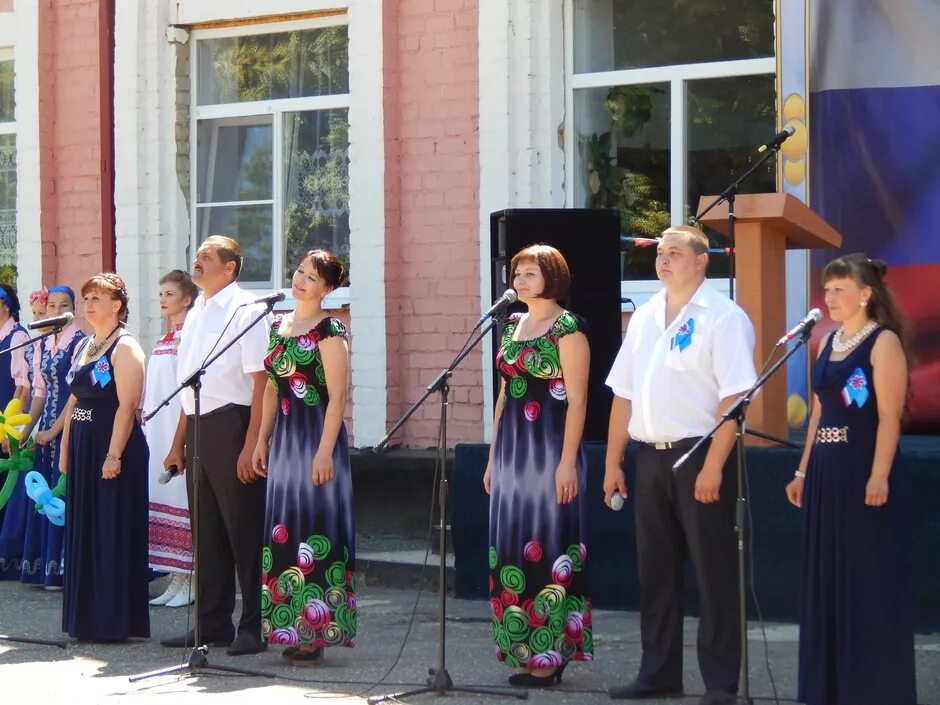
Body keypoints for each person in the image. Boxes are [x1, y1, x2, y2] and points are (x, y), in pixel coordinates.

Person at [604, 225, 756, 705]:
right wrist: (613, 462)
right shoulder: (646, 315)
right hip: (649, 457)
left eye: (675, 253)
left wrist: (714, 466)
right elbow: (623, 395)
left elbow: (735, 398)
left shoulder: (724, 318)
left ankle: (720, 682)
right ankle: (659, 673)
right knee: (656, 572)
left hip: (700, 456)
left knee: (714, 573)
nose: (664, 261)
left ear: (701, 260)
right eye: (660, 254)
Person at [785, 254, 915, 705]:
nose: (830, 297)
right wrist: (802, 469)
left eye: (840, 289)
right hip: (826, 470)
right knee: (828, 579)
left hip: (863, 469)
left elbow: (888, 417)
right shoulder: (826, 341)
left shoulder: (883, 343)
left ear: (866, 294)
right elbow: (820, 411)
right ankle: (829, 688)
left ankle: (872, 689)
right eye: (827, 289)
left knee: (865, 578)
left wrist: (879, 475)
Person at [484, 244, 592, 687]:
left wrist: (568, 462)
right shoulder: (512, 324)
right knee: (511, 549)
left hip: (549, 453)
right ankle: (523, 649)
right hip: (512, 455)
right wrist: (492, 456)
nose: (521, 279)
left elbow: (580, 400)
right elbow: (506, 393)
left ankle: (552, 653)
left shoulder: (568, 328)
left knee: (548, 550)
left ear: (553, 276)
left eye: (531, 272)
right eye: (517, 272)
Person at [162, 235, 270, 656]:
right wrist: (178, 445)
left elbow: (262, 380)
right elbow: (191, 385)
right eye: (196, 255)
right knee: (206, 530)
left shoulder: (247, 310)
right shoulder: (197, 311)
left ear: (230, 267)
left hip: (233, 423)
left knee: (243, 529)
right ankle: (211, 623)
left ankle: (253, 627)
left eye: (207, 256)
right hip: (199, 426)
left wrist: (251, 444)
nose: (197, 261)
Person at [252, 249, 355, 665]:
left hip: (317, 440)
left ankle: (316, 631)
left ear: (327, 288)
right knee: (284, 533)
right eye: (299, 272)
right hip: (286, 445)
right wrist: (262, 439)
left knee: (315, 534)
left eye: (311, 278)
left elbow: (337, 397)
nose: (300, 281)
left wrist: (325, 451)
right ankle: (289, 624)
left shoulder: (331, 330)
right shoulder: (279, 326)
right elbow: (274, 389)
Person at [60, 273, 150, 641]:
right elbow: (76, 399)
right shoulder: (87, 345)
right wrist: (66, 447)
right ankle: (86, 619)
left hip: (113, 445)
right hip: (83, 445)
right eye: (87, 298)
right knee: (85, 530)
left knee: (109, 530)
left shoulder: (125, 347)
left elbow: (127, 406)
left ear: (117, 305)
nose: (89, 304)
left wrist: (113, 455)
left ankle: (112, 621)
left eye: (97, 298)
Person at [19, 285, 83, 588]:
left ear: (73, 308)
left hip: (70, 427)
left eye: (64, 305)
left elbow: (77, 396)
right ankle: (46, 567)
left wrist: (53, 430)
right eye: (53, 305)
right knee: (44, 496)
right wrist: (28, 428)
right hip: (45, 428)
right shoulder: (43, 344)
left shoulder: (81, 343)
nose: (57, 311)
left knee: (63, 491)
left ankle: (64, 568)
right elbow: (39, 392)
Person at [145, 270, 198, 608]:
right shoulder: (164, 339)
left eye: (170, 293)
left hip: (178, 428)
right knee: (162, 492)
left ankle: (190, 577)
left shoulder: (189, 338)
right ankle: (174, 578)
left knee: (182, 497)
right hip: (157, 428)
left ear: (187, 299)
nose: (163, 298)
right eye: (160, 292)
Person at [0, 285, 31, 578]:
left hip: (6, 420)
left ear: (6, 306)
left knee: (7, 484)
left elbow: (23, 384)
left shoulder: (17, 336)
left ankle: (7, 555)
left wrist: (14, 428)